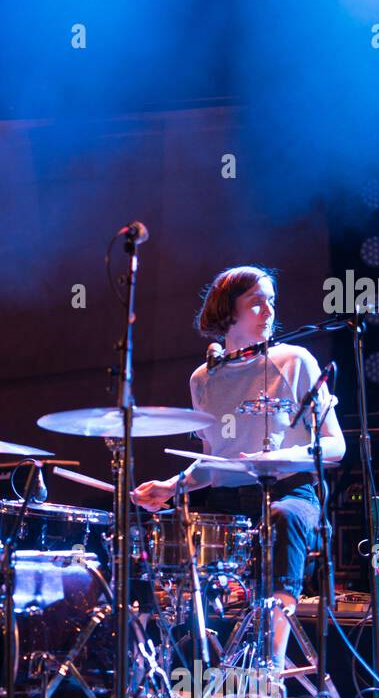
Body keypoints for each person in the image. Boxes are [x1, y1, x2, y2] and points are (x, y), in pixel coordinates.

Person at [131, 265, 345, 670]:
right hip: (227, 499)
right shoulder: (203, 379)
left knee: (281, 519)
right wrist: (170, 486)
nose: (269, 311)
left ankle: (271, 671)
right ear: (227, 312)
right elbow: (213, 463)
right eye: (256, 303)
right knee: (175, 539)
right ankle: (190, 670)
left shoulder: (296, 360)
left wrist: (282, 458)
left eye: (271, 302)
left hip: (289, 492)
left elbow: (336, 445)